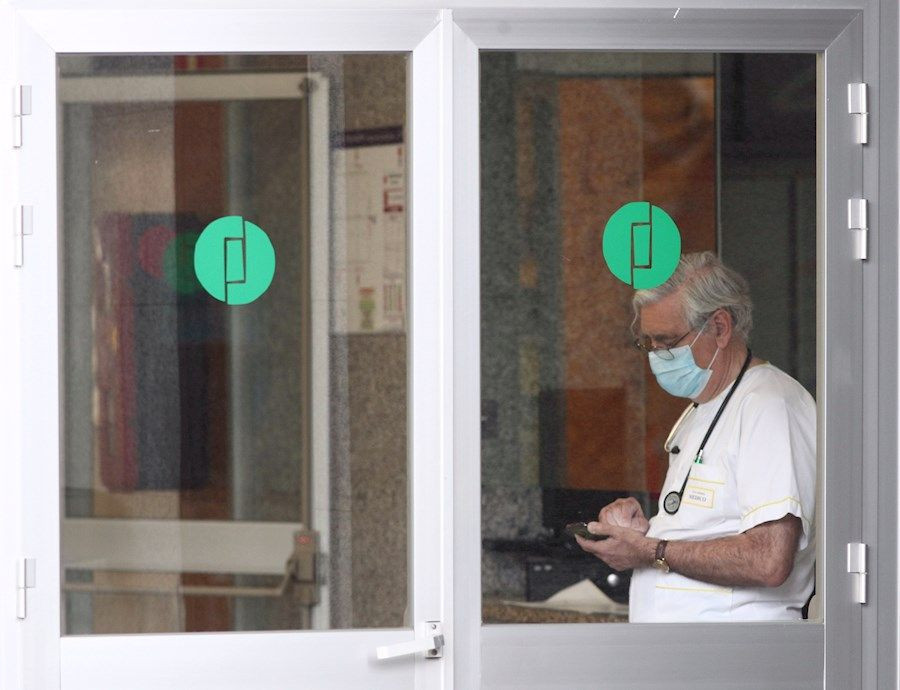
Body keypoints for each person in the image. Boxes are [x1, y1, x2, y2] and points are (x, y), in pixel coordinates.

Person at [576, 251, 816, 622]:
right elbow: (708, 529)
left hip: (738, 651)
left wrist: (650, 550)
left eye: (667, 341)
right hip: (689, 650)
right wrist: (641, 532)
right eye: (648, 343)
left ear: (720, 327)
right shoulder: (702, 407)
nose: (656, 356)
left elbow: (768, 559)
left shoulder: (770, 405)